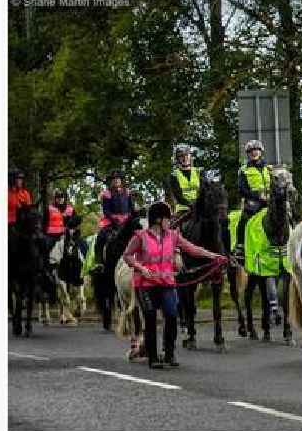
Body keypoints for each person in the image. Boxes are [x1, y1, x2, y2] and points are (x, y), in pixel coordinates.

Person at [123, 202, 228, 369]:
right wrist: (141, 268)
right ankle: (152, 357)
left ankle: (169, 353)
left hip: (166, 282)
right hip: (145, 284)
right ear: (158, 219)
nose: (170, 221)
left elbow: (193, 249)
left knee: (171, 316)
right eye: (167, 218)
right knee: (150, 317)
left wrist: (214, 256)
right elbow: (127, 256)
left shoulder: (173, 236)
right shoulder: (140, 237)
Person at [234, 140, 271, 265]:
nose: (254, 153)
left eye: (256, 150)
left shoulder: (268, 168)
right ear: (248, 154)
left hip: (270, 200)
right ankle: (240, 246)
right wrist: (258, 196)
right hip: (253, 202)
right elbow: (241, 189)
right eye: (251, 151)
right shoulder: (243, 170)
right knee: (244, 218)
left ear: (261, 152)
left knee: (285, 213)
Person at [92, 170, 134, 271]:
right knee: (101, 236)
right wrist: (115, 218)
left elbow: (131, 208)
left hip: (126, 221)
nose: (116, 181)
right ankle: (99, 262)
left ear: (121, 180)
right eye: (114, 179)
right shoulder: (107, 194)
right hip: (111, 221)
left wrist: (129, 217)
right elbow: (106, 211)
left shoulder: (127, 192)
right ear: (111, 181)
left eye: (118, 179)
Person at [167, 145, 204, 216]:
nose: (184, 158)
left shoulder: (199, 172)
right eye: (181, 156)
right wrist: (191, 205)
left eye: (187, 155)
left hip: (200, 208)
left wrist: (199, 204)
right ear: (177, 159)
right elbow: (178, 195)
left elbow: (204, 190)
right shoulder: (174, 175)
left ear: (190, 156)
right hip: (183, 209)